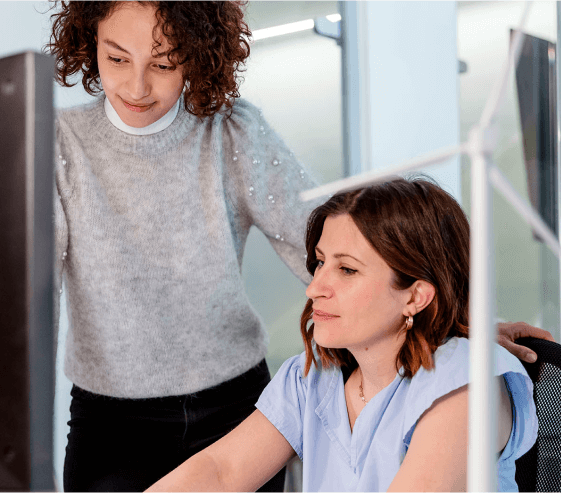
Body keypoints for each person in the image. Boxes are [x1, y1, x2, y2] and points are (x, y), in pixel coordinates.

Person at [45, 1, 552, 491]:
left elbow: (343, 238)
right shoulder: (308, 383)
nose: (136, 85)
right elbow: (31, 301)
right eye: (116, 58)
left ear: (196, 55)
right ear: (88, 44)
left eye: (162, 62)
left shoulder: (458, 386)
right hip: (113, 417)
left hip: (229, 399)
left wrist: (453, 323)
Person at [146, 177, 541, 492]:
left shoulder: (466, 385)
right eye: (320, 262)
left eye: (347, 270)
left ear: (416, 297)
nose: (314, 287)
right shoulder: (312, 376)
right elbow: (221, 472)